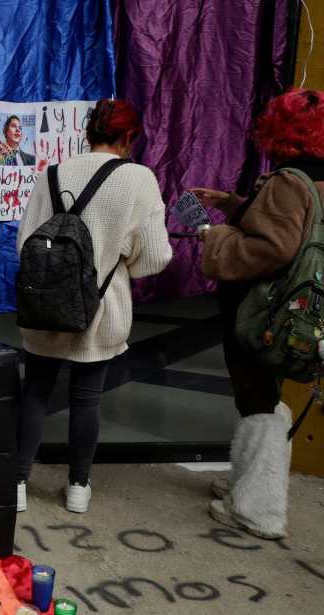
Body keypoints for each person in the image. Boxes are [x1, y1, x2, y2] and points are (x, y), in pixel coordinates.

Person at [15, 99, 172, 514]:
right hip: (99, 314)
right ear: (128, 137)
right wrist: (118, 261)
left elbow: (24, 245)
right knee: (87, 398)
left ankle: (17, 483)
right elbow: (154, 259)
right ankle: (77, 487)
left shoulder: (51, 174)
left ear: (88, 133)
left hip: (44, 308)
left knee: (35, 393)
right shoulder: (139, 179)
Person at [192, 89, 324, 539]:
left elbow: (273, 246)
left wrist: (217, 238)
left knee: (258, 403)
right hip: (298, 314)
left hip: (261, 314)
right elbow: (296, 229)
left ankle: (257, 510)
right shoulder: (315, 181)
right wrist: (234, 203)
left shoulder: (288, 181)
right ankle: (249, 483)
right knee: (265, 397)